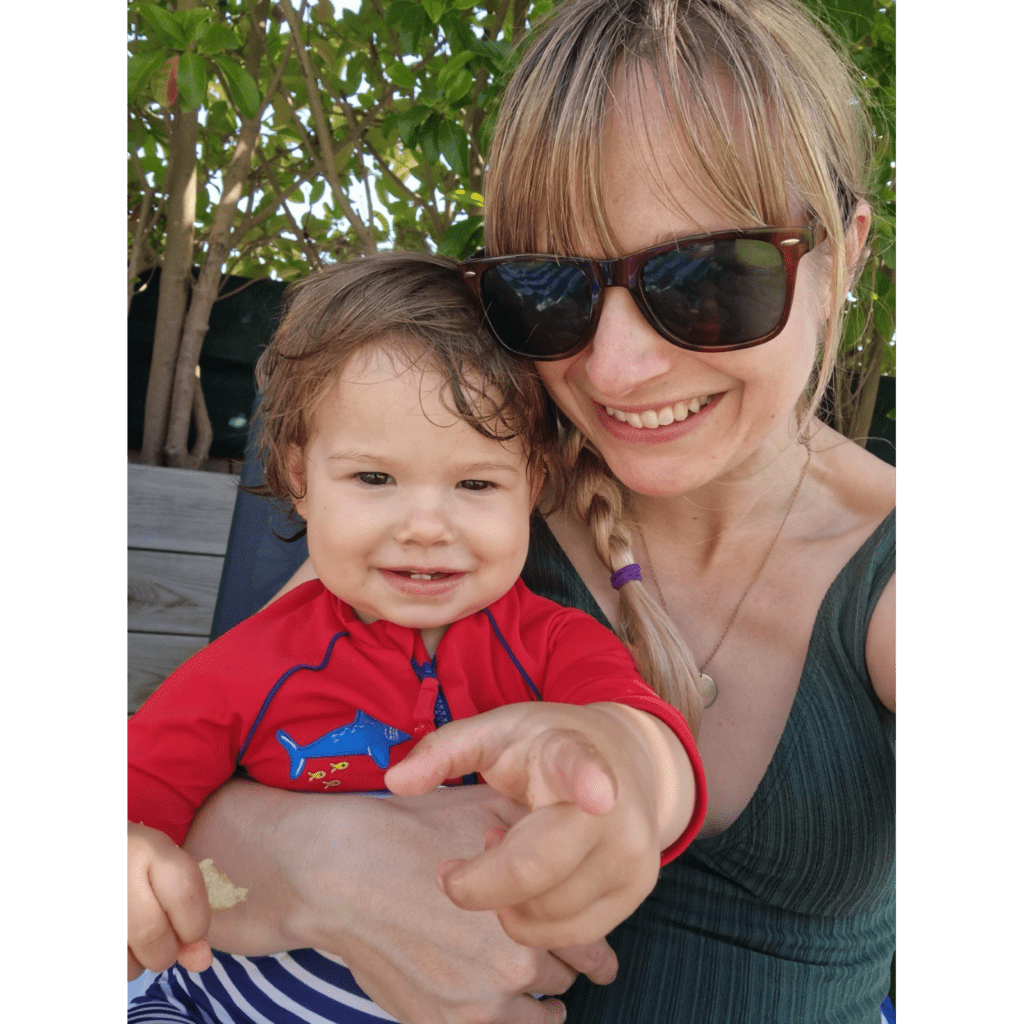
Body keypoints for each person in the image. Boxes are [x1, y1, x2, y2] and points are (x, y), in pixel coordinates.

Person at [158, 1, 896, 1021]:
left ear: (843, 256)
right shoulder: (465, 506)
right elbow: (192, 764)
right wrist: (323, 863)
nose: (617, 366)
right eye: (552, 288)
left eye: (711, 276)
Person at [127, 251, 705, 1023]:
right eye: (374, 479)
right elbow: (133, 803)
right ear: (299, 475)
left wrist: (621, 770)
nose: (426, 527)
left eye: (474, 484)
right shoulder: (249, 667)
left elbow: (644, 736)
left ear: (531, 485)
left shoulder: (557, 644)